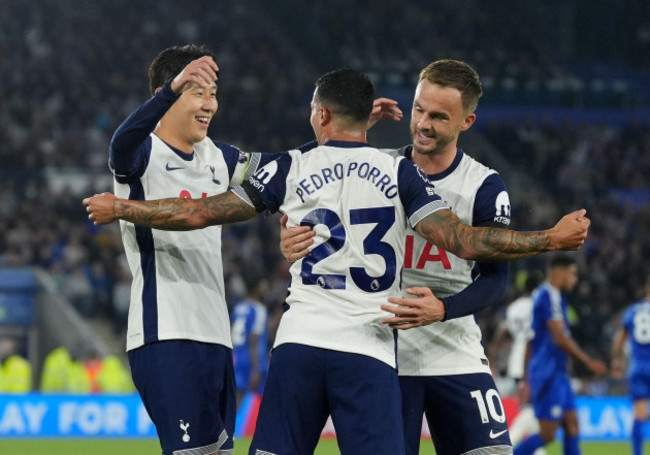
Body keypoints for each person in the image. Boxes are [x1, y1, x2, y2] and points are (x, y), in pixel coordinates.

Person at [84, 68, 590, 454]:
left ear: (321, 115)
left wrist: (123, 207)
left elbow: (199, 214)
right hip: (368, 347)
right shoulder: (399, 173)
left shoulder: (292, 166)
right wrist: (549, 237)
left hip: (300, 345)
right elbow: (464, 240)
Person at [279, 59, 519, 455]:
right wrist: (347, 125)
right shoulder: (381, 168)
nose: (423, 123)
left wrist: (442, 309)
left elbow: (497, 280)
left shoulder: (483, 185)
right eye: (419, 109)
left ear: (467, 122)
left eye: (439, 117)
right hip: (384, 356)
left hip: (455, 353)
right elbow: (302, 174)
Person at [105, 44, 272, 455]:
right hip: (166, 333)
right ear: (170, 91)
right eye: (199, 92)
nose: (211, 104)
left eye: (213, 93)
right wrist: (168, 92)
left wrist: (344, 136)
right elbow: (120, 143)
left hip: (215, 335)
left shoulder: (217, 156)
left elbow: (279, 167)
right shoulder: (143, 155)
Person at [514, 255, 606, 455]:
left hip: (558, 373)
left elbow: (531, 340)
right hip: (548, 374)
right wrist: (588, 361)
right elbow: (559, 337)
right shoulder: (548, 295)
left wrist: (524, 376)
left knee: (572, 426)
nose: (575, 279)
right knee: (548, 434)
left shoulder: (553, 298)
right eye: (572, 274)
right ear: (559, 272)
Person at [498, 271, 546, 455]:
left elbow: (505, 333)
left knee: (532, 408)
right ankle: (506, 445)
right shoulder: (539, 303)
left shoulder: (513, 308)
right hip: (534, 359)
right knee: (531, 407)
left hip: (516, 359)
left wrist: (494, 353)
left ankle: (538, 451)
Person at [612, 279, 650, 455]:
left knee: (639, 414)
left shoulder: (633, 311)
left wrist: (617, 361)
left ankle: (637, 453)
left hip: (638, 368)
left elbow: (619, 340)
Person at [231, 274, 270, 408]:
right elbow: (254, 339)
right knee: (267, 400)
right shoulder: (259, 309)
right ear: (257, 288)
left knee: (236, 402)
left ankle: (231, 429)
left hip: (237, 358)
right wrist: (256, 367)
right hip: (252, 361)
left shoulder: (239, 307)